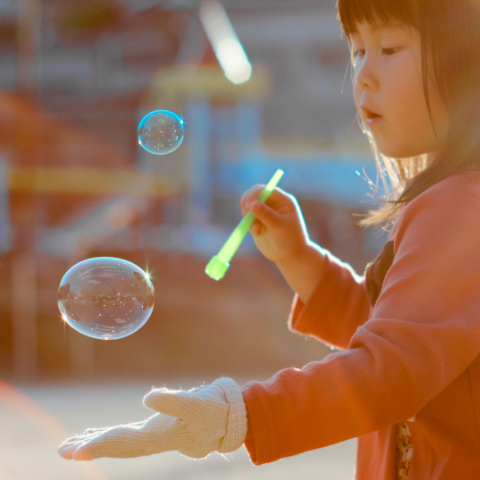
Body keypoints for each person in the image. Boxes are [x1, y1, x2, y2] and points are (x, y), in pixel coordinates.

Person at [58, 0, 480, 478]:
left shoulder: (460, 203)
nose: (362, 74)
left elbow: (392, 370)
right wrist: (301, 261)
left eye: (388, 47)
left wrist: (232, 415)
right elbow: (414, 334)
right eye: (358, 50)